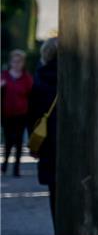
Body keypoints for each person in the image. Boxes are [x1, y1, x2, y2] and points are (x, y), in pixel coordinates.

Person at [27, 38, 58, 222]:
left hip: (48, 140)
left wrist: (34, 142)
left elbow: (33, 113)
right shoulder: (75, 76)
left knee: (54, 190)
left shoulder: (40, 76)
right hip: (73, 140)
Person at [2, 49, 34, 177]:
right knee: (8, 139)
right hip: (6, 113)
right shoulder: (4, 76)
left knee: (19, 140)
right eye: (14, 61)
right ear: (11, 62)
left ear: (23, 63)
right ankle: (4, 164)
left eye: (19, 61)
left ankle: (16, 167)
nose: (17, 64)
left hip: (21, 114)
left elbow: (31, 95)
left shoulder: (27, 78)